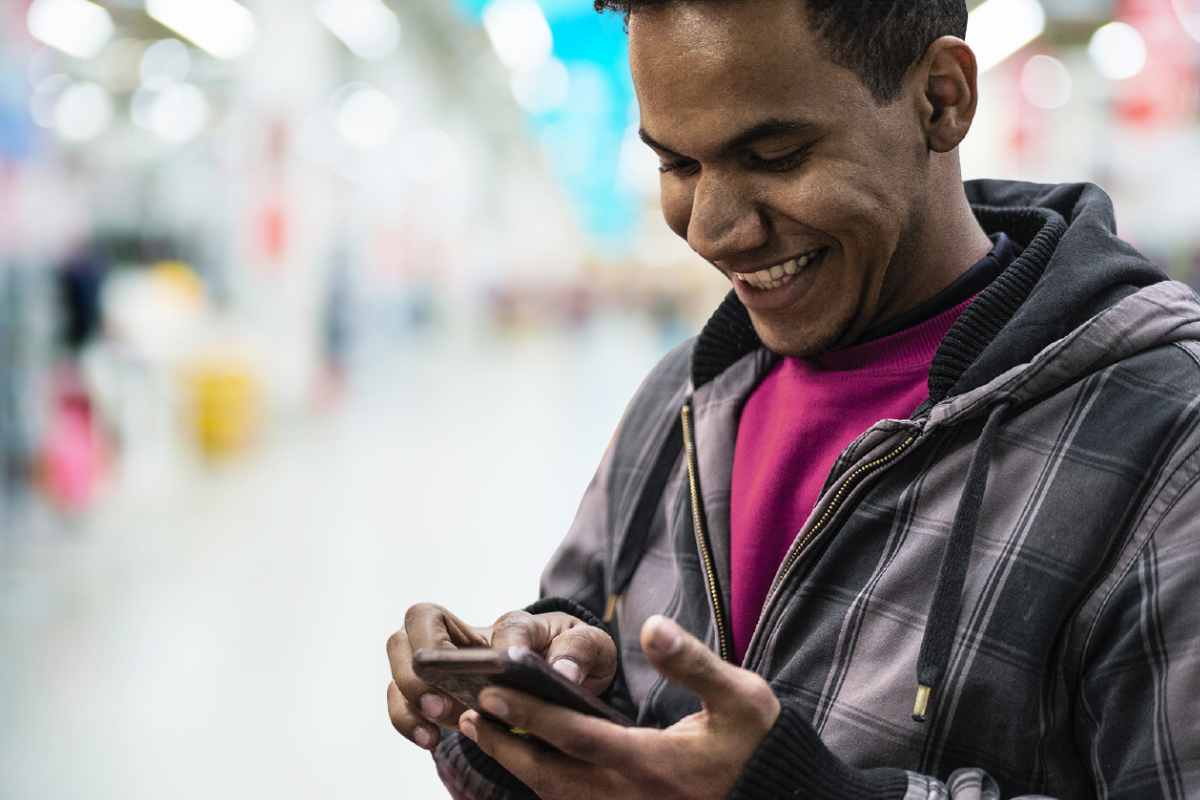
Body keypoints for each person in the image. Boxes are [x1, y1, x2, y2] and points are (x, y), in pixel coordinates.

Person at [387, 0, 1200, 797]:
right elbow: (606, 651)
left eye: (775, 156)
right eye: (678, 165)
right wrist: (538, 696)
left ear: (941, 98)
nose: (713, 227)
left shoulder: (1168, 444)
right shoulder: (685, 397)